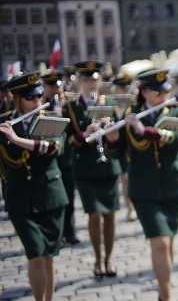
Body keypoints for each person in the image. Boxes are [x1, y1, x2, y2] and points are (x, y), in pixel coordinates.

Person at [104, 69, 178, 301]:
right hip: (144, 188)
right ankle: (168, 297)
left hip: (175, 184)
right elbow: (117, 153)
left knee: (169, 241)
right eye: (157, 92)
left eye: (165, 91)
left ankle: (164, 288)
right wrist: (111, 139)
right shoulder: (129, 114)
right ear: (144, 92)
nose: (164, 95)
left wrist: (145, 131)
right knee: (160, 241)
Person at [0, 72, 68, 301]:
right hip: (20, 199)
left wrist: (17, 140)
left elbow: (52, 148)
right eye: (30, 97)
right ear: (16, 99)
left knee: (48, 256)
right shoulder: (6, 123)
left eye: (39, 95)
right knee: (36, 253)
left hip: (50, 195)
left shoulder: (51, 118)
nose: (37, 99)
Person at [63, 60, 121, 278]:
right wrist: (85, 133)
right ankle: (97, 258)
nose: (91, 83)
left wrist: (111, 130)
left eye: (94, 79)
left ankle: (110, 258)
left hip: (108, 167)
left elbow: (117, 141)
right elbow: (67, 139)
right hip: (85, 166)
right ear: (79, 81)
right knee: (94, 214)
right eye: (86, 79)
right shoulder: (70, 107)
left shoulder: (112, 103)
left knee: (110, 215)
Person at [42, 71, 79, 245]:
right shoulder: (39, 104)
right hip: (48, 159)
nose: (56, 89)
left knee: (69, 198)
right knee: (53, 200)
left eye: (58, 85)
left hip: (66, 157)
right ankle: (56, 232)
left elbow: (74, 129)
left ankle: (70, 231)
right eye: (52, 86)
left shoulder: (68, 104)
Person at [111, 72, 137, 223]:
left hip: (134, 145)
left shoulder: (135, 104)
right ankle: (130, 208)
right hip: (120, 146)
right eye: (121, 88)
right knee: (125, 178)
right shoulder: (112, 104)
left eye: (127, 88)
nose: (124, 91)